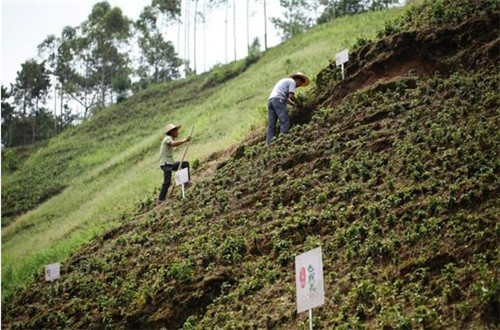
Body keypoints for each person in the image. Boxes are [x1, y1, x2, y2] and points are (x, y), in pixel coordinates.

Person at [267, 72, 310, 144]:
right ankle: (283, 140)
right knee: (284, 121)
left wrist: (294, 105)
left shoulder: (285, 81)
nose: (298, 86)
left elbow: (286, 100)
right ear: (298, 79)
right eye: (299, 84)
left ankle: (268, 144)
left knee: (271, 125)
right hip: (278, 100)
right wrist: (299, 103)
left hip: (270, 101)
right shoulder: (292, 82)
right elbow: (291, 96)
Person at [157, 123, 192, 204]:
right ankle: (160, 199)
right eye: (176, 130)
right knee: (167, 181)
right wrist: (185, 140)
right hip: (165, 164)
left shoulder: (170, 138)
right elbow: (173, 144)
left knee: (185, 164)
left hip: (170, 163)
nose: (177, 132)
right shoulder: (167, 138)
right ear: (171, 132)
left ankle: (186, 183)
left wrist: (185, 141)